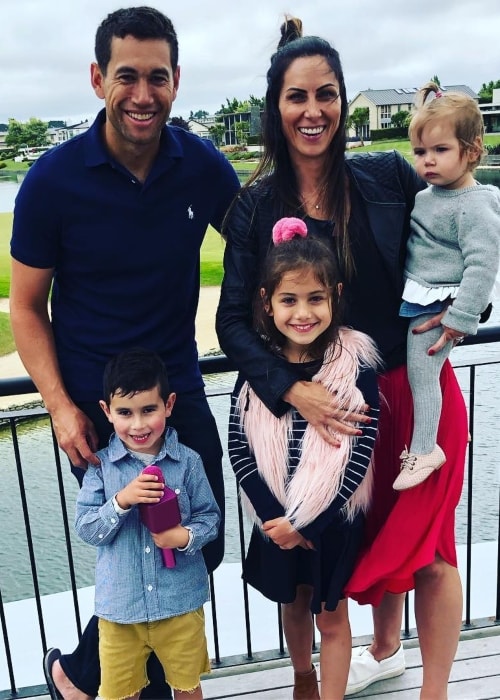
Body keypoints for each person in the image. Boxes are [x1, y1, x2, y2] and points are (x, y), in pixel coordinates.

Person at [216, 16, 468, 699]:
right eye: (297, 97)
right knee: (325, 563)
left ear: (343, 99)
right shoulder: (252, 207)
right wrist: (292, 393)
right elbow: (231, 323)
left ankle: (436, 690)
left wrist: (463, 305)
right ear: (276, 107)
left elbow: (465, 223)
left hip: (413, 395)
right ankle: (360, 659)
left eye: (326, 94)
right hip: (321, 419)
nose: (313, 110)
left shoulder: (388, 176)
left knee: (433, 554)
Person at [9, 7, 240, 700]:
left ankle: (81, 678)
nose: (143, 94)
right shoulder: (52, 180)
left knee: (205, 538)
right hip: (98, 406)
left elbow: (267, 253)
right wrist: (58, 407)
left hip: (178, 390)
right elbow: (25, 307)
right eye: (127, 76)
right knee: (123, 548)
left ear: (177, 82)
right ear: (96, 79)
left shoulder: (200, 165)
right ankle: (124, 685)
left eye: (158, 77)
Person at [229, 216, 380, 699]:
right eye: (288, 300)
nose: (303, 312)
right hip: (276, 521)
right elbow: (240, 445)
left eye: (315, 298)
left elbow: (360, 457)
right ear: (266, 302)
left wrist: (307, 523)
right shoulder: (260, 369)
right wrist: (276, 518)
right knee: (293, 605)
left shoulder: (354, 366)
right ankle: (302, 677)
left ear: (334, 296)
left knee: (331, 615)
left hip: (330, 521)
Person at [75, 348, 220, 700]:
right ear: (107, 412)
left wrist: (183, 536)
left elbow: (210, 519)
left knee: (187, 686)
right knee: (120, 692)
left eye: (148, 410)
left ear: (168, 405)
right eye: (125, 413)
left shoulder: (188, 462)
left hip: (180, 603)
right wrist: (122, 500)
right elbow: (87, 528)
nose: (138, 425)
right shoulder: (100, 468)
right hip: (121, 609)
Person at [393, 82, 500, 490]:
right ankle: (435, 439)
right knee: (424, 375)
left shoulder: (474, 204)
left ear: (471, 152)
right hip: (422, 294)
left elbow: (482, 265)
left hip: (439, 302)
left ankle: (425, 451)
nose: (428, 161)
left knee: (423, 376)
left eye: (440, 151)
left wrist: (459, 319)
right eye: (420, 152)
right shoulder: (433, 193)